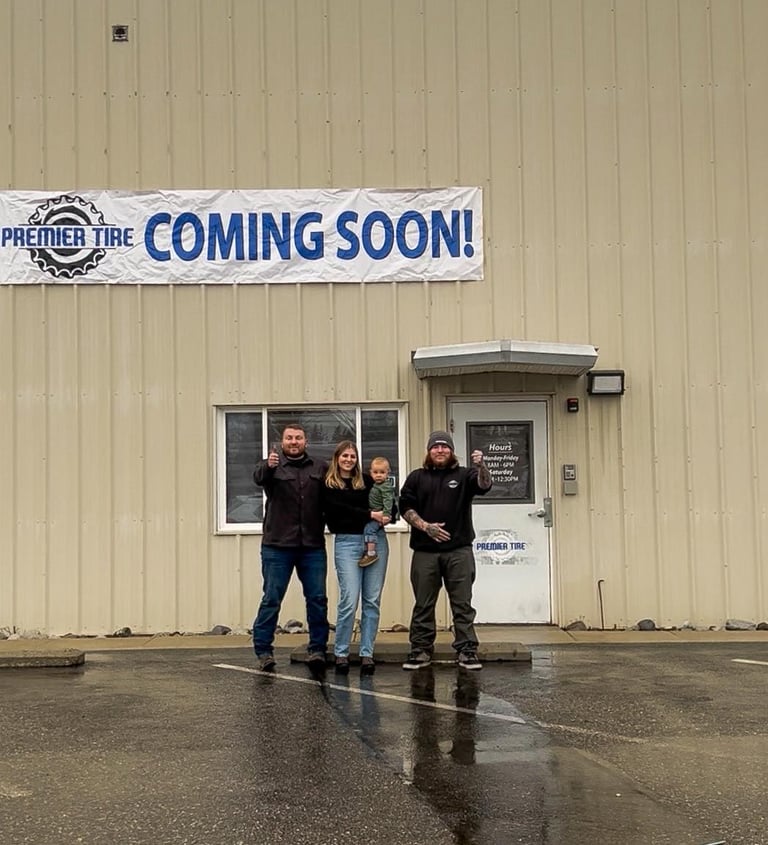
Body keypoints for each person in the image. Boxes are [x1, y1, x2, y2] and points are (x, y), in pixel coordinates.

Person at [398, 430, 492, 671]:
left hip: (458, 551)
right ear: (429, 451)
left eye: (444, 446)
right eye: (435, 447)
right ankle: (420, 650)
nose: (440, 450)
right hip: (425, 552)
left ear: (451, 451)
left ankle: (467, 650)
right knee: (423, 603)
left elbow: (484, 485)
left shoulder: (465, 475)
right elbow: (405, 506)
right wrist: (425, 527)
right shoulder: (417, 477)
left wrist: (482, 466)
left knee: (462, 604)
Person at [251, 424, 329, 672]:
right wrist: (268, 465)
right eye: (289, 438)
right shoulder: (272, 465)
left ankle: (317, 649)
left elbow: (335, 496)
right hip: (277, 546)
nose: (294, 442)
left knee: (317, 599)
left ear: (306, 442)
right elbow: (258, 478)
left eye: (298, 438)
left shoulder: (320, 467)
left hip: (312, 546)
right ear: (282, 442)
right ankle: (264, 651)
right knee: (272, 599)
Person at [323, 441, 392, 675]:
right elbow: (335, 515)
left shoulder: (368, 481)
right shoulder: (329, 485)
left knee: (372, 600)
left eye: (352, 456)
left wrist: (386, 514)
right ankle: (341, 652)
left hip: (376, 541)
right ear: (337, 458)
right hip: (347, 543)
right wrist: (369, 514)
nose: (349, 460)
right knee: (349, 599)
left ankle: (366, 652)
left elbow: (388, 505)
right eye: (345, 455)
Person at [358, 457, 395, 568]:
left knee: (370, 530)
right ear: (371, 473)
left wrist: (386, 515)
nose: (378, 475)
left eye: (382, 472)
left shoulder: (386, 486)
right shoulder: (376, 485)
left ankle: (371, 553)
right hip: (374, 512)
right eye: (375, 472)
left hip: (380, 515)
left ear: (388, 473)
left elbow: (388, 500)